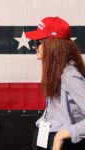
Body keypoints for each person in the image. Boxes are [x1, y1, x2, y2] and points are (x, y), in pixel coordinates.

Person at [25, 17, 85, 150]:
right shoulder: (56, 72)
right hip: (45, 137)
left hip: (60, 143)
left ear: (53, 45)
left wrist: (61, 136)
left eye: (38, 42)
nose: (34, 46)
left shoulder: (70, 76)